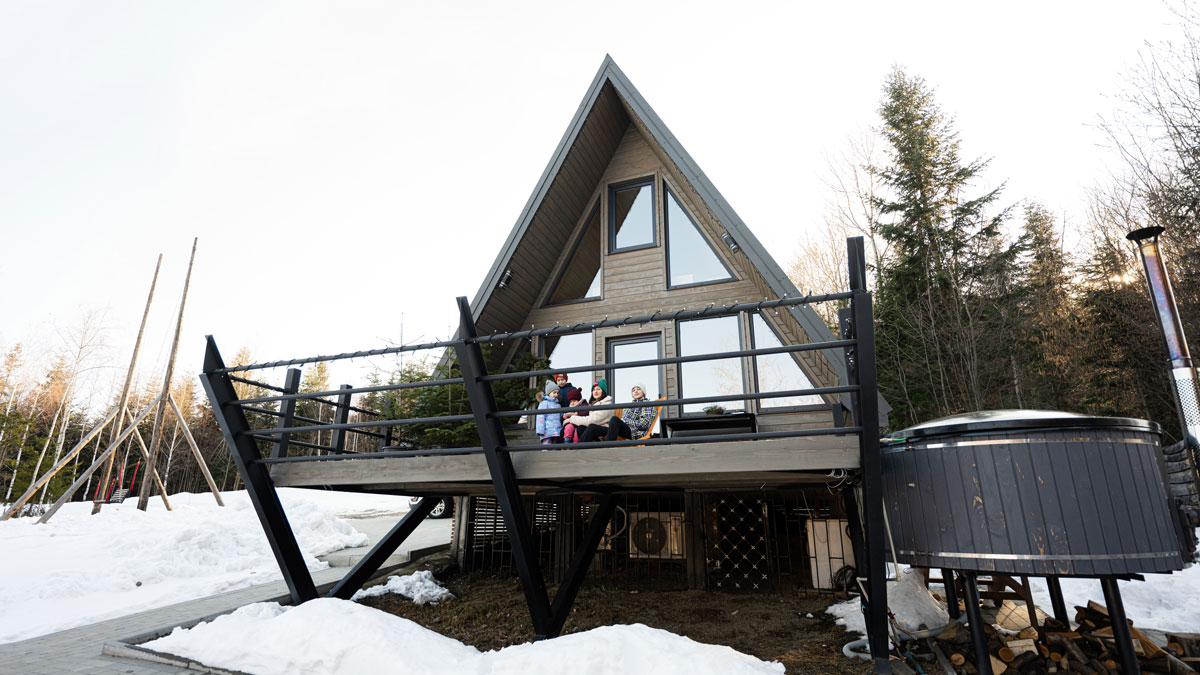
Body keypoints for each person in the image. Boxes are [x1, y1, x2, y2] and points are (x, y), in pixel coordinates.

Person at [535, 380, 562, 447]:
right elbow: (540, 417)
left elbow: (560, 417)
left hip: (556, 430)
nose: (556, 394)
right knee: (547, 446)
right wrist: (540, 430)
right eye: (554, 392)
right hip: (547, 431)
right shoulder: (544, 403)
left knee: (554, 448)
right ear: (548, 393)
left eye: (557, 393)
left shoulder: (558, 404)